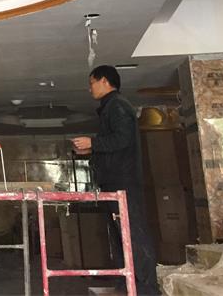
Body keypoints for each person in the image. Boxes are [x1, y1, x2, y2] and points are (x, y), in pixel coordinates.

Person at [72, 65, 160, 295]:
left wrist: (93, 143)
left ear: (104, 80)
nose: (89, 88)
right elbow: (115, 144)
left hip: (123, 181)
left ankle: (146, 288)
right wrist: (92, 150)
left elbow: (123, 139)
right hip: (114, 181)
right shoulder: (110, 107)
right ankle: (128, 282)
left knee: (133, 233)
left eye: (91, 83)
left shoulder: (118, 106)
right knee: (122, 235)